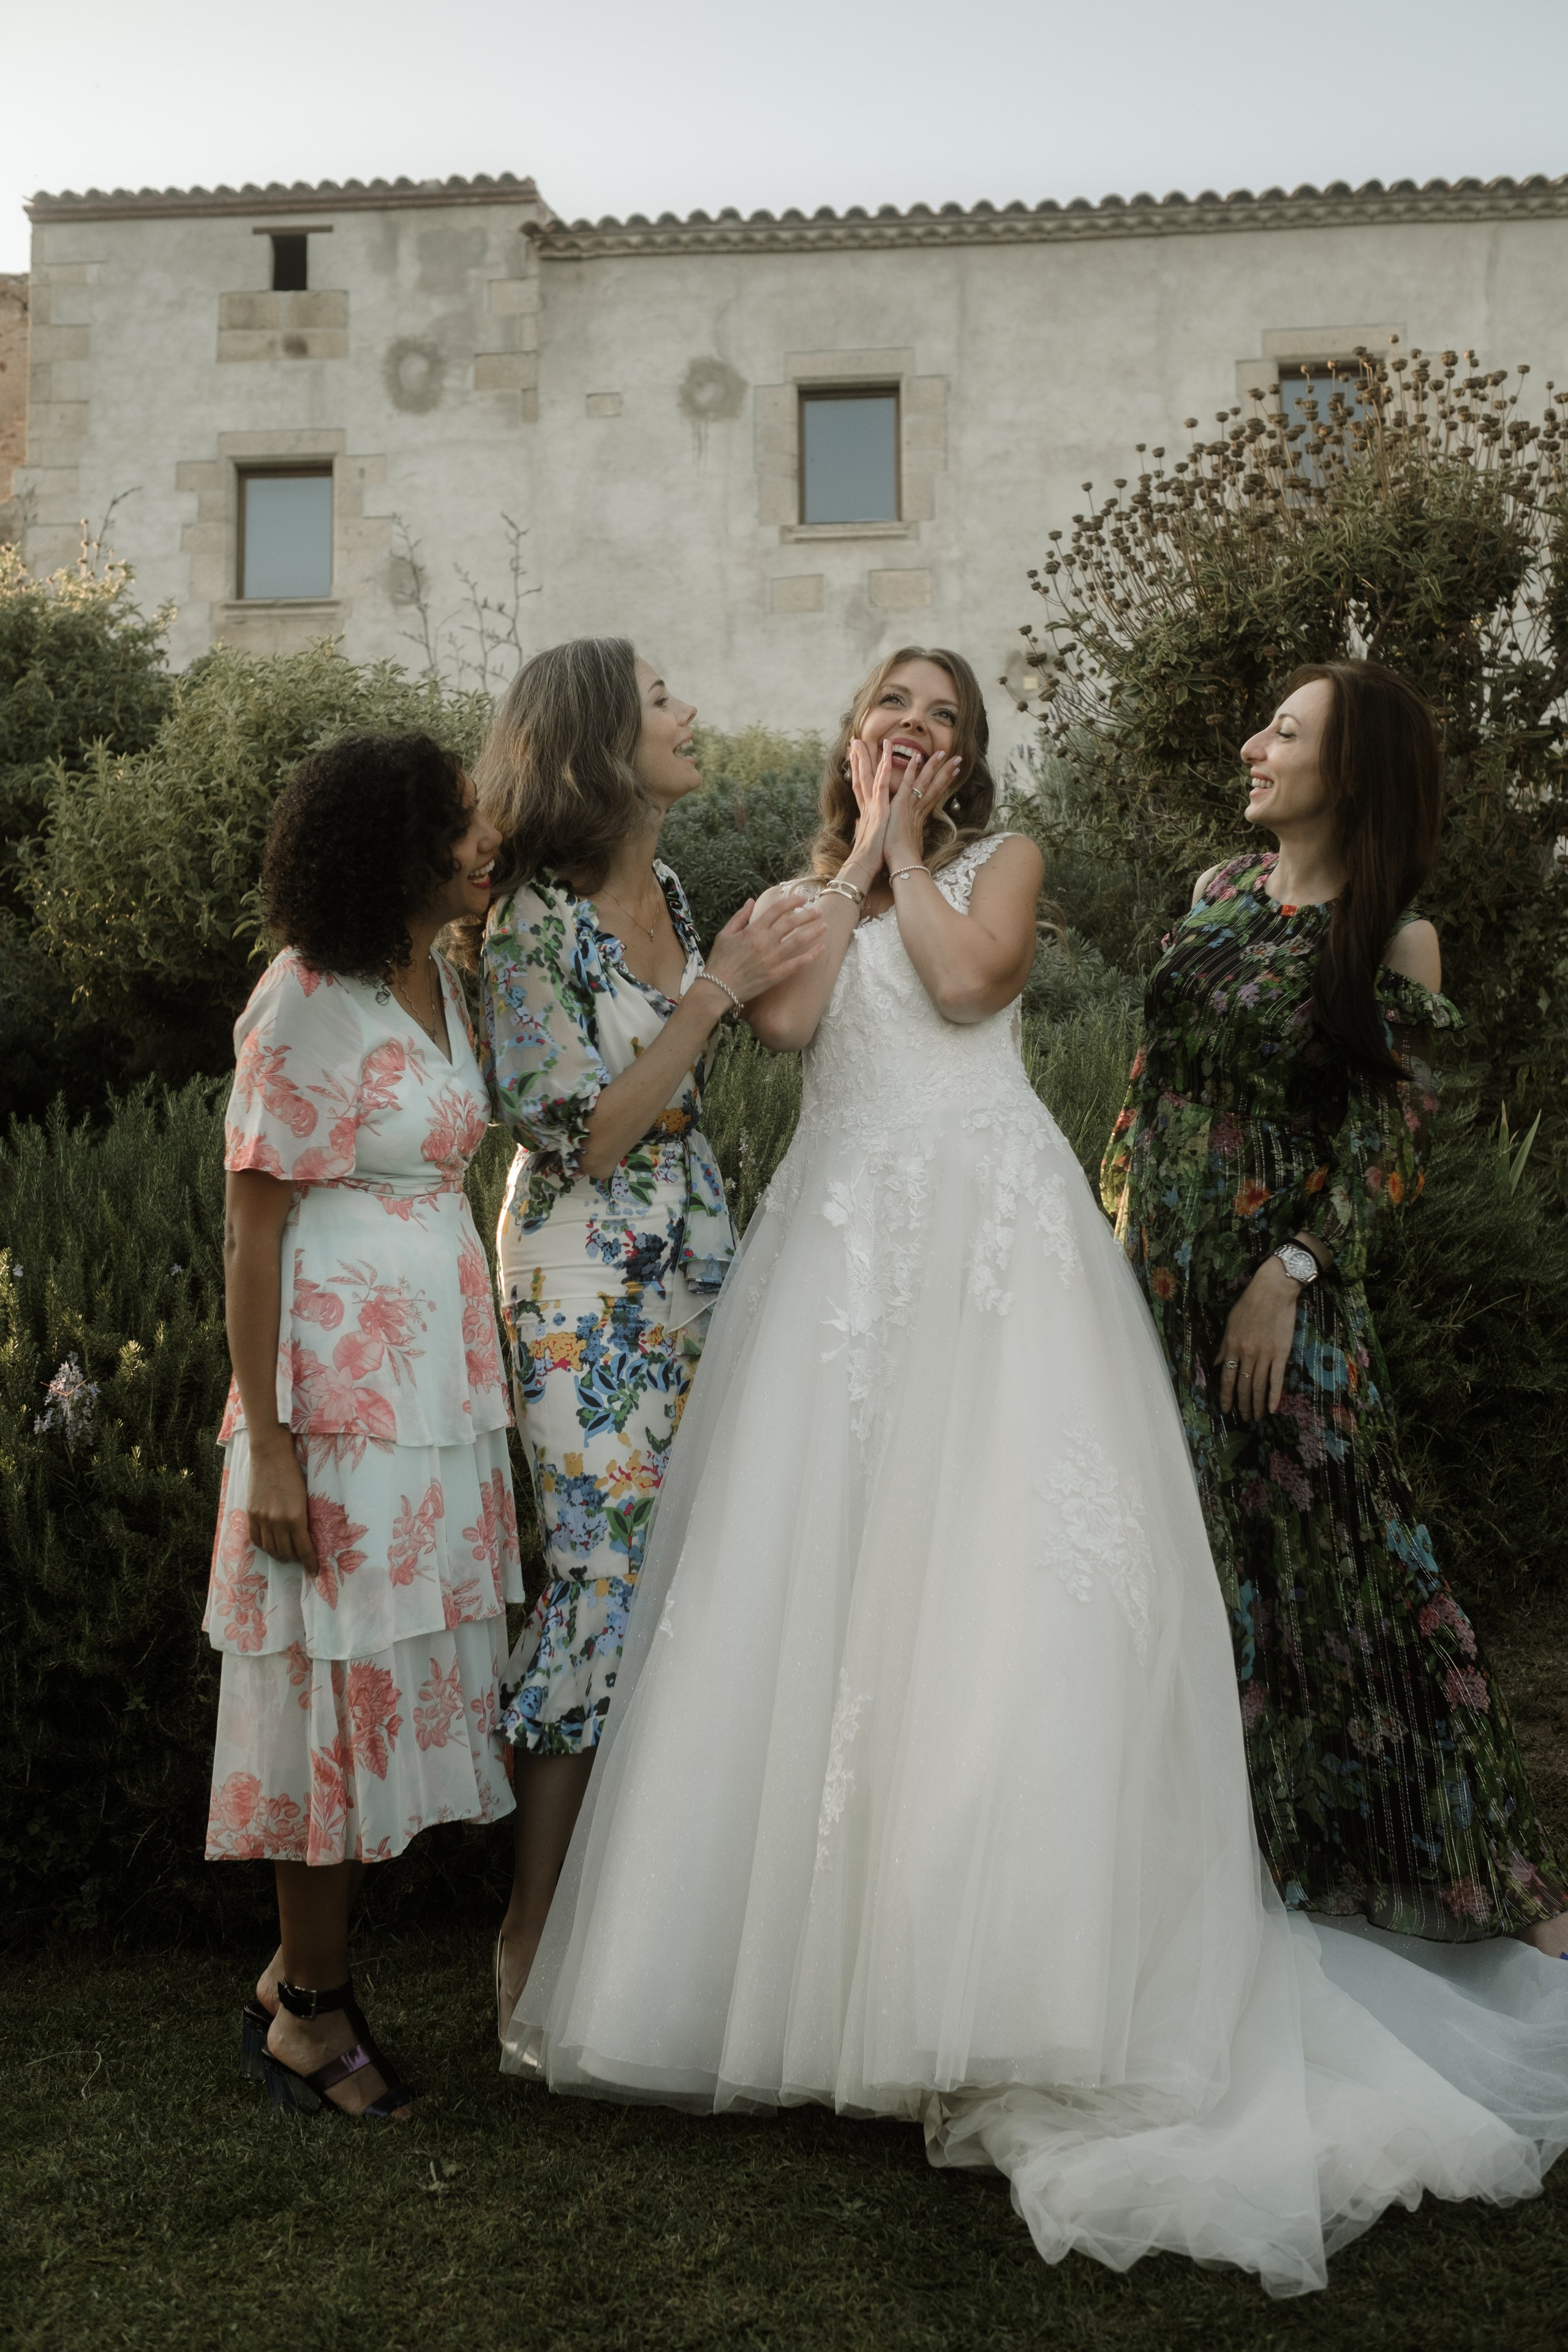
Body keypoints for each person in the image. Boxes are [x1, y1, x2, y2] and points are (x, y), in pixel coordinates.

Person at [501, 645, 1568, 2296]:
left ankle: (1006, 1974)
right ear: (854, 734)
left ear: (969, 752)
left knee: (1000, 1599)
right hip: (843, 1256)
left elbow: (968, 990)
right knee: (827, 1598)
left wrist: (906, 854)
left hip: (992, 1247)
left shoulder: (1005, 861)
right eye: (889, 707)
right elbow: (785, 1024)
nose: (911, 728)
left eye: (940, 715)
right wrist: (851, 866)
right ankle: (810, 1987)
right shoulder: (804, 893)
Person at [1103, 660, 1568, 1954]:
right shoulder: (1218, 891)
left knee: (1354, 1572)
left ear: (1349, 772)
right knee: (1201, 1575)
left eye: (1283, 732)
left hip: (1282, 1309)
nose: (1252, 748)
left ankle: (1502, 1892)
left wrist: (1290, 1274)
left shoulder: (1391, 936)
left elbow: (1386, 1150)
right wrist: (1109, 1232)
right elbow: (1148, 1087)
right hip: (1155, 1288)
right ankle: (1252, 1866)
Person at [476, 638, 826, 2037]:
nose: (691, 714)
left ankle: (653, 1933)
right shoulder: (527, 925)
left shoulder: (670, 894)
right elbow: (591, 1133)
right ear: (596, 744)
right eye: (663, 700)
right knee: (601, 1580)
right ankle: (531, 1933)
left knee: (697, 1564)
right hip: (581, 1275)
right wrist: (714, 991)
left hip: (694, 1246)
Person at [209, 729, 521, 2122]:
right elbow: (251, 1230)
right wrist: (270, 1447)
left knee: (385, 1677)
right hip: (332, 1402)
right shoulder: (304, 998)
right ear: (394, 847)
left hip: (432, 1394)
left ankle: (297, 1973)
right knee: (327, 1690)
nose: (486, 839)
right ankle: (311, 2015)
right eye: (461, 822)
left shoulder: (444, 975)